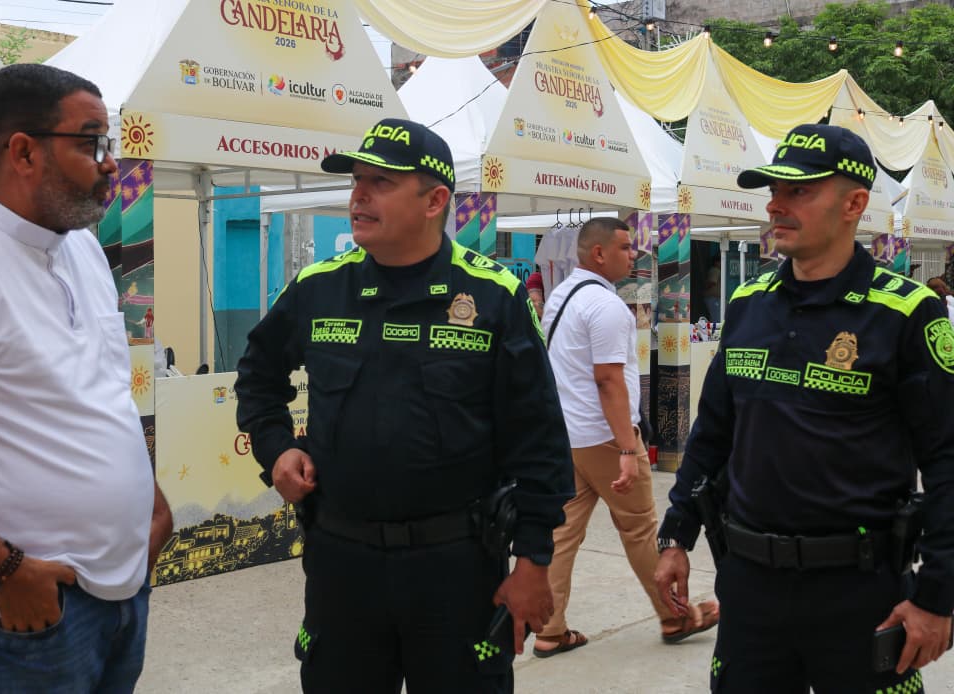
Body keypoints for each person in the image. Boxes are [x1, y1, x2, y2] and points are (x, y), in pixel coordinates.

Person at [235, 118, 573, 694]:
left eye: (381, 183)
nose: (359, 196)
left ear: (434, 200)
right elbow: (258, 374)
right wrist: (277, 448)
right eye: (356, 181)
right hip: (342, 565)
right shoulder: (319, 288)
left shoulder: (493, 296)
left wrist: (533, 561)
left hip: (457, 571)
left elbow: (538, 436)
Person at [654, 123, 954, 692]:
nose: (776, 205)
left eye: (800, 191)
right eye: (775, 190)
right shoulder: (749, 302)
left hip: (860, 591)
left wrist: (938, 594)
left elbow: (946, 460)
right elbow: (713, 433)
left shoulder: (906, 312)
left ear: (854, 204)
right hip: (749, 587)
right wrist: (676, 536)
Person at [0, 63, 172, 691]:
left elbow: (99, 393)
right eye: (91, 143)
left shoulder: (80, 246)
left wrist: (151, 502)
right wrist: (5, 572)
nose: (111, 163)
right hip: (26, 609)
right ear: (24, 152)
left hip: (119, 588)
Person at [533, 218, 718, 658]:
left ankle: (549, 629)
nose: (633, 255)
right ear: (599, 254)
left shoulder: (561, 295)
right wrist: (627, 447)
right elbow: (609, 380)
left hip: (568, 435)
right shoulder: (607, 306)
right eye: (624, 247)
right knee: (640, 529)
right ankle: (675, 616)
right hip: (604, 436)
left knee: (562, 533)